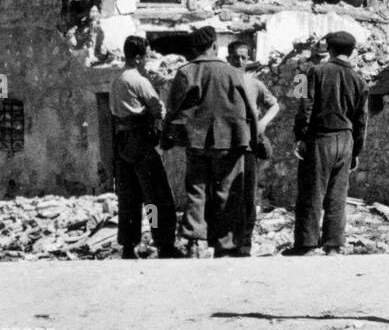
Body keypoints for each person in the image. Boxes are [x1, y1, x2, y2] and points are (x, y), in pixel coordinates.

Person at [162, 26, 261, 258]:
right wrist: (254, 140)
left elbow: (172, 109)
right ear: (215, 46)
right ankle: (225, 246)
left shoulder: (186, 72)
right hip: (231, 141)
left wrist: (165, 136)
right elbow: (250, 110)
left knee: (197, 190)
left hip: (196, 142)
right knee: (227, 192)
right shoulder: (233, 72)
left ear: (195, 48)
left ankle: (195, 242)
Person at [286, 31, 368, 255]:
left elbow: (305, 106)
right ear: (351, 52)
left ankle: (307, 244)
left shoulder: (314, 72)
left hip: (321, 138)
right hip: (346, 139)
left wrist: (300, 136)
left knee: (312, 191)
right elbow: (361, 120)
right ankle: (333, 245)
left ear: (329, 49)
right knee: (337, 194)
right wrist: (356, 150)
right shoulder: (360, 80)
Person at [109, 35, 179, 259]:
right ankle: (163, 244)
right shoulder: (139, 80)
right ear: (138, 57)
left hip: (122, 143)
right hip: (140, 140)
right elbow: (158, 109)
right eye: (146, 57)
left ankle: (128, 246)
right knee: (156, 197)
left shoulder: (117, 80)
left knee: (128, 197)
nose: (147, 61)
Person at [227, 41, 281, 257]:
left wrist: (263, 123)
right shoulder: (223, 82)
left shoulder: (255, 84)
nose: (240, 61)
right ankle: (226, 243)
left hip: (248, 147)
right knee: (227, 196)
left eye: (244, 57)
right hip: (227, 147)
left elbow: (274, 105)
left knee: (248, 197)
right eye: (235, 57)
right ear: (228, 58)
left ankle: (244, 244)